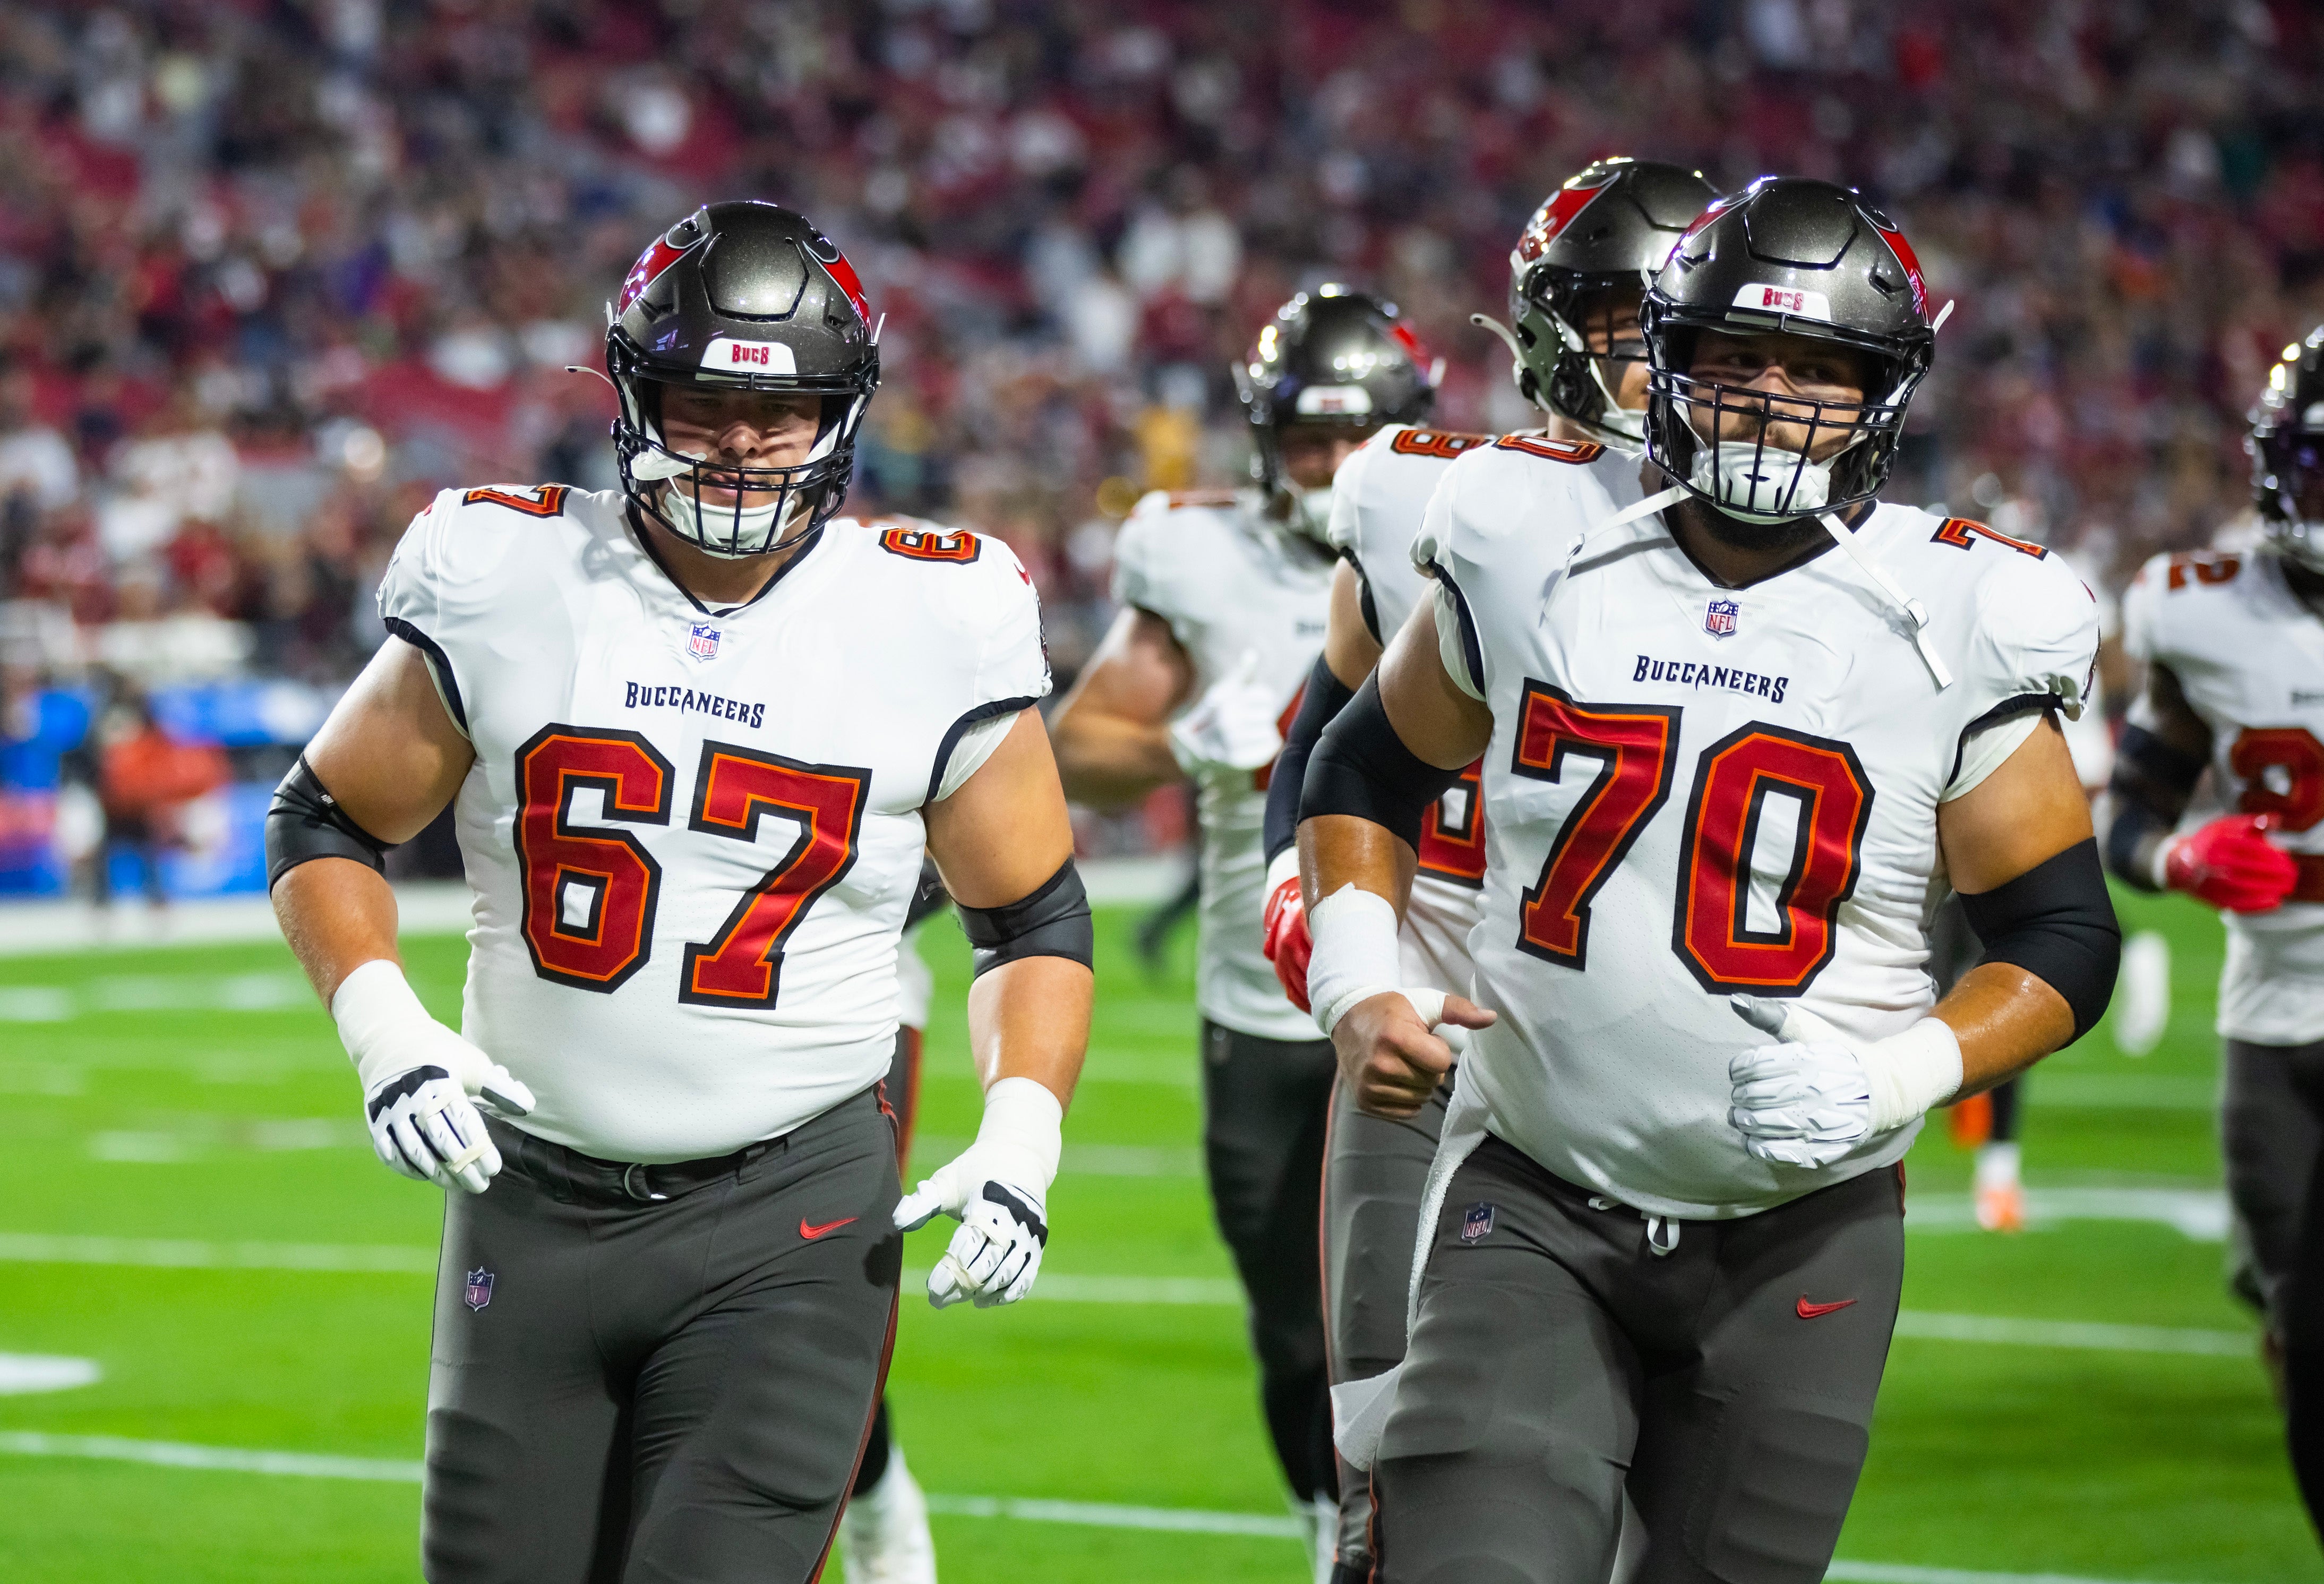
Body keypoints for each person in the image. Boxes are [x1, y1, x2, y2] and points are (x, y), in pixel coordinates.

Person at [1298, 177, 2118, 1582]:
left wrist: (1903, 1072)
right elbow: (1361, 770)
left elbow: (2056, 933)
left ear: (1883, 392)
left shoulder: (1960, 609)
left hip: (1805, 1234)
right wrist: (1360, 972)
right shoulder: (1524, 538)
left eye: (1818, 370)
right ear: (1665, 366)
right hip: (1535, 1191)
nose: (1772, 401)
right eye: (1737, 360)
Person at [265, 201, 1093, 1584]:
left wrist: (1024, 1130)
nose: (740, 445)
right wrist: (383, 1029)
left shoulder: (933, 612)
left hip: (792, 1213)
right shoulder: (508, 571)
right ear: (635, 394)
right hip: (530, 1200)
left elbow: (1029, 914)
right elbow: (326, 817)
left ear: (844, 415)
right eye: (703, 403)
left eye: (782, 413)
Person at [1255, 157, 1717, 1584]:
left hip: (1636, 1059)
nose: (1643, 355)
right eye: (1615, 316)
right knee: (1383, 1469)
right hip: (1433, 1030)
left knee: (1660, 1501)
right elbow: (1327, 742)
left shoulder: (1788, 555)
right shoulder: (1419, 497)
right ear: (1543, 323)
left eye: (1666, 320)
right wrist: (1304, 898)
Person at [1051, 286, 1437, 1574]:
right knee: (1291, 1329)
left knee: (1443, 1315)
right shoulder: (1192, 550)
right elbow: (1080, 747)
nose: (1327, 468)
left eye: (1352, 437)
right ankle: (1334, 1534)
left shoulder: (1467, 538)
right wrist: (1185, 743)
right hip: (1260, 1004)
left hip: (1430, 991)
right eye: (1303, 440)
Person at [2104, 324, 2324, 1547]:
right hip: (2271, 1023)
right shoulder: (2198, 608)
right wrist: (2175, 855)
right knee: (2293, 1324)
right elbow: (2129, 814)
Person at [844, 854, 950, 1584]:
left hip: (850, 1002)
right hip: (625, 1018)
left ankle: (876, 1499)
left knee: (819, 1308)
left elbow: (1003, 871)